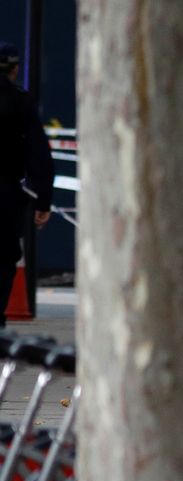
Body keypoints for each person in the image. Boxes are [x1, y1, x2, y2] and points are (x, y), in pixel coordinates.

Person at [0, 42, 53, 327]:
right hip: (5, 197)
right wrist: (43, 201)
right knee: (4, 259)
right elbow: (39, 155)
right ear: (16, 69)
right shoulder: (21, 102)